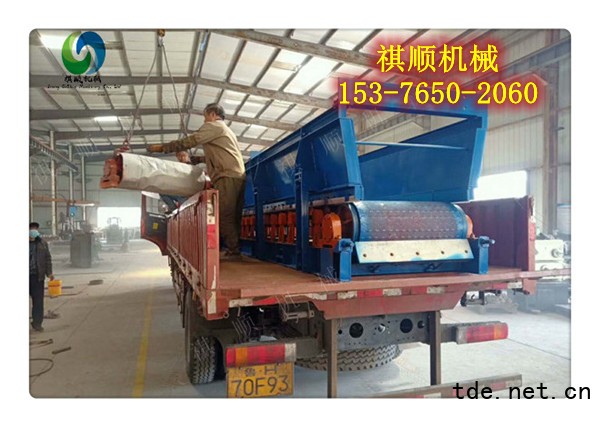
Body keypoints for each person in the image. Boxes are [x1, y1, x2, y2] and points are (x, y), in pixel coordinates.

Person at [148, 103, 246, 259]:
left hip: (226, 175)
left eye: (205, 116)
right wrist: (196, 159)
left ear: (213, 114)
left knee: (224, 215)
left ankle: (234, 251)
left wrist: (161, 148)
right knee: (234, 215)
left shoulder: (214, 126)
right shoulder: (226, 130)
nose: (204, 120)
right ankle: (235, 248)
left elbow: (190, 141)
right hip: (236, 174)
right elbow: (219, 154)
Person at [29, 222, 53, 332]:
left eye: (35, 229)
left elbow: (47, 258)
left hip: (38, 277)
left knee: (38, 301)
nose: (33, 231)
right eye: (31, 229)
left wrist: (49, 273)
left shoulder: (43, 243)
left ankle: (37, 323)